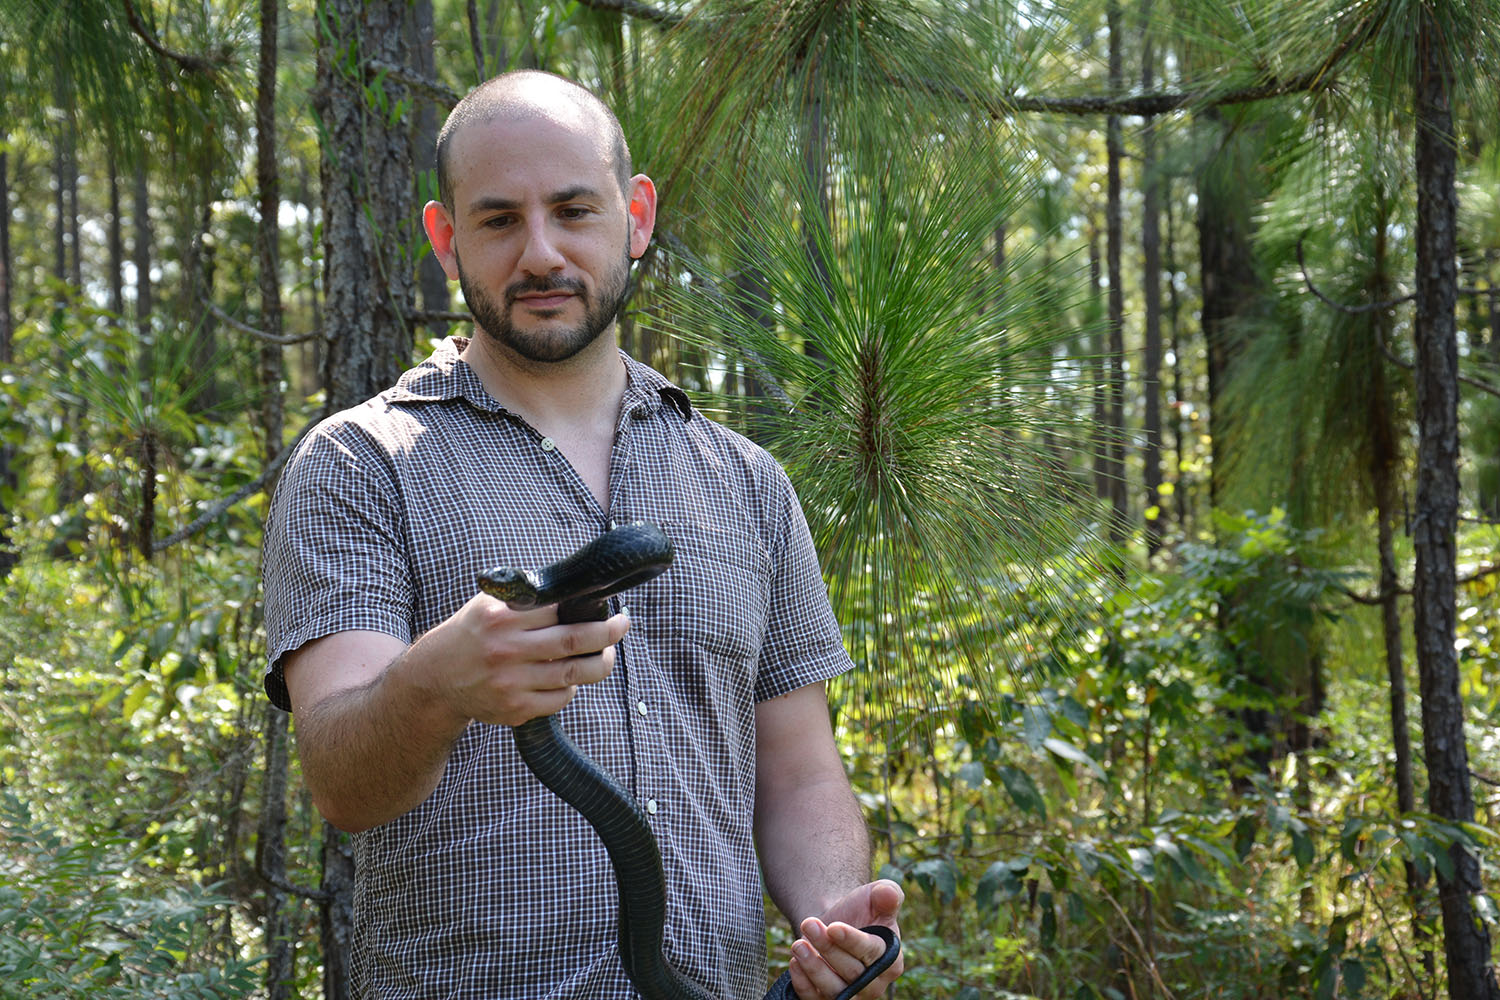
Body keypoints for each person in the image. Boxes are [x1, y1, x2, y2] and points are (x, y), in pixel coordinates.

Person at [261, 69, 904, 1000]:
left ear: (635, 218)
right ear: (446, 240)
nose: (540, 254)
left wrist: (839, 922)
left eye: (573, 210)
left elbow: (800, 776)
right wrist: (439, 684)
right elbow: (344, 786)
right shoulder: (362, 464)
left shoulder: (747, 483)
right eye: (497, 221)